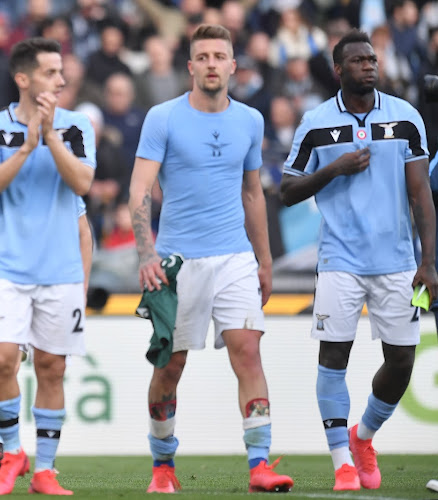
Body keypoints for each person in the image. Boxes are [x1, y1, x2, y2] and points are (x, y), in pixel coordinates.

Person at [128, 24, 294, 494]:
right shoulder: (163, 117)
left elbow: (252, 193)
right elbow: (140, 189)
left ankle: (260, 465)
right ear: (191, 66)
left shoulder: (250, 120)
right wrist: (146, 251)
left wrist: (264, 260)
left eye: (220, 56)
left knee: (247, 351)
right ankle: (163, 466)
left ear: (233, 65)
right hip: (178, 262)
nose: (212, 64)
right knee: (171, 367)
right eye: (203, 57)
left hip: (235, 257)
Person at [280, 29, 438, 492]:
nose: (369, 65)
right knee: (333, 358)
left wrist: (428, 261)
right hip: (339, 261)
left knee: (403, 362)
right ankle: (341, 465)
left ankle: (362, 436)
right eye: (358, 60)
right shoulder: (316, 122)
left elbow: (420, 195)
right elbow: (287, 190)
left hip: (397, 262)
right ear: (339, 69)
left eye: (372, 58)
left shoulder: (405, 117)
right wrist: (334, 168)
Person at [0, 37, 96, 496]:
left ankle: (44, 470)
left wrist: (50, 136)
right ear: (23, 79)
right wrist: (26, 147)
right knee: (0, 360)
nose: (61, 80)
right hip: (6, 269)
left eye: (61, 72)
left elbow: (82, 181)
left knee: (51, 367)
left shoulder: (78, 124)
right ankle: (12, 453)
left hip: (61, 271)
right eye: (50, 72)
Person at [0, 197, 93, 471]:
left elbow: (83, 233)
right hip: (10, 282)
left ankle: (43, 462)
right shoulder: (0, 166)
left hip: (54, 284)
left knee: (50, 369)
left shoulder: (60, 175)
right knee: (4, 363)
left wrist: (81, 288)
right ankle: (6, 446)